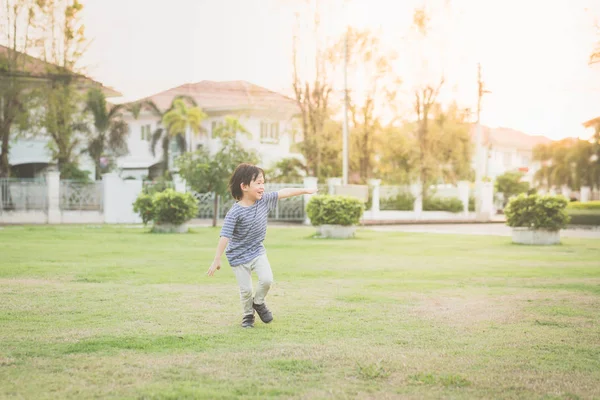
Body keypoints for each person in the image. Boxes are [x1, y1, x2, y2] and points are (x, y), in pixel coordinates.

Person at [207, 163, 317, 328]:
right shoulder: (235, 212)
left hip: (257, 250)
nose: (262, 187)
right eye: (258, 183)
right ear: (244, 186)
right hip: (238, 255)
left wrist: (305, 191)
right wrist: (217, 259)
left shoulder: (264, 201)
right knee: (245, 291)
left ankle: (258, 303)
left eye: (263, 183)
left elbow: (284, 192)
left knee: (266, 279)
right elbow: (225, 235)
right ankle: (248, 316)